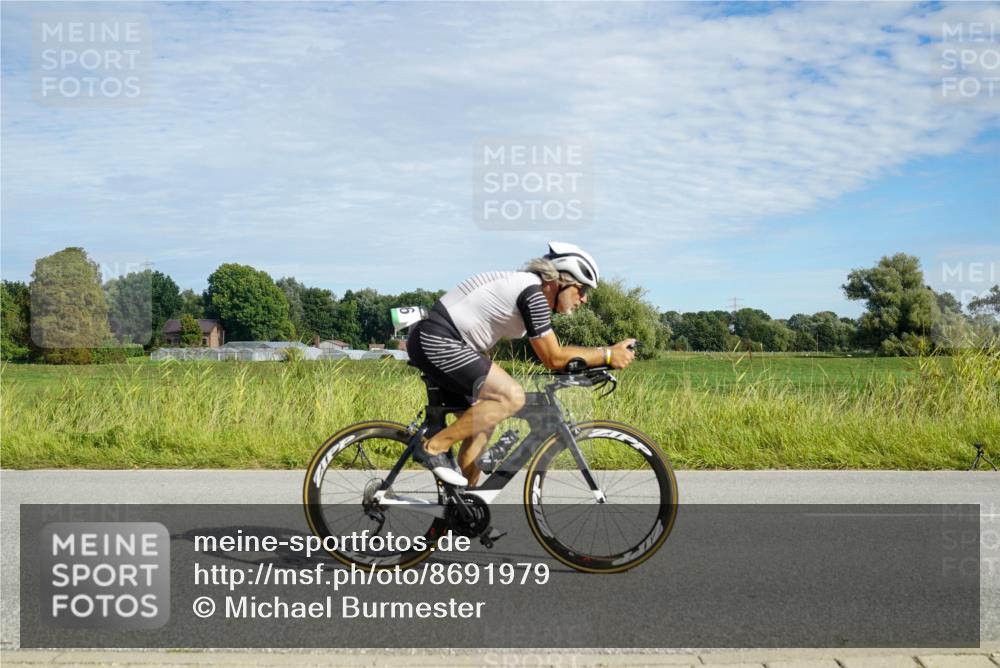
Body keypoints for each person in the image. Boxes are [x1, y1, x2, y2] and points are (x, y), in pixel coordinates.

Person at [407, 242, 637, 487]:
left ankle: (463, 511)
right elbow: (553, 358)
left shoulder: (528, 287)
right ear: (558, 281)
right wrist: (607, 355)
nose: (584, 299)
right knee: (512, 397)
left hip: (444, 340)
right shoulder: (533, 293)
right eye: (581, 289)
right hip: (438, 340)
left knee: (482, 425)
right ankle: (432, 449)